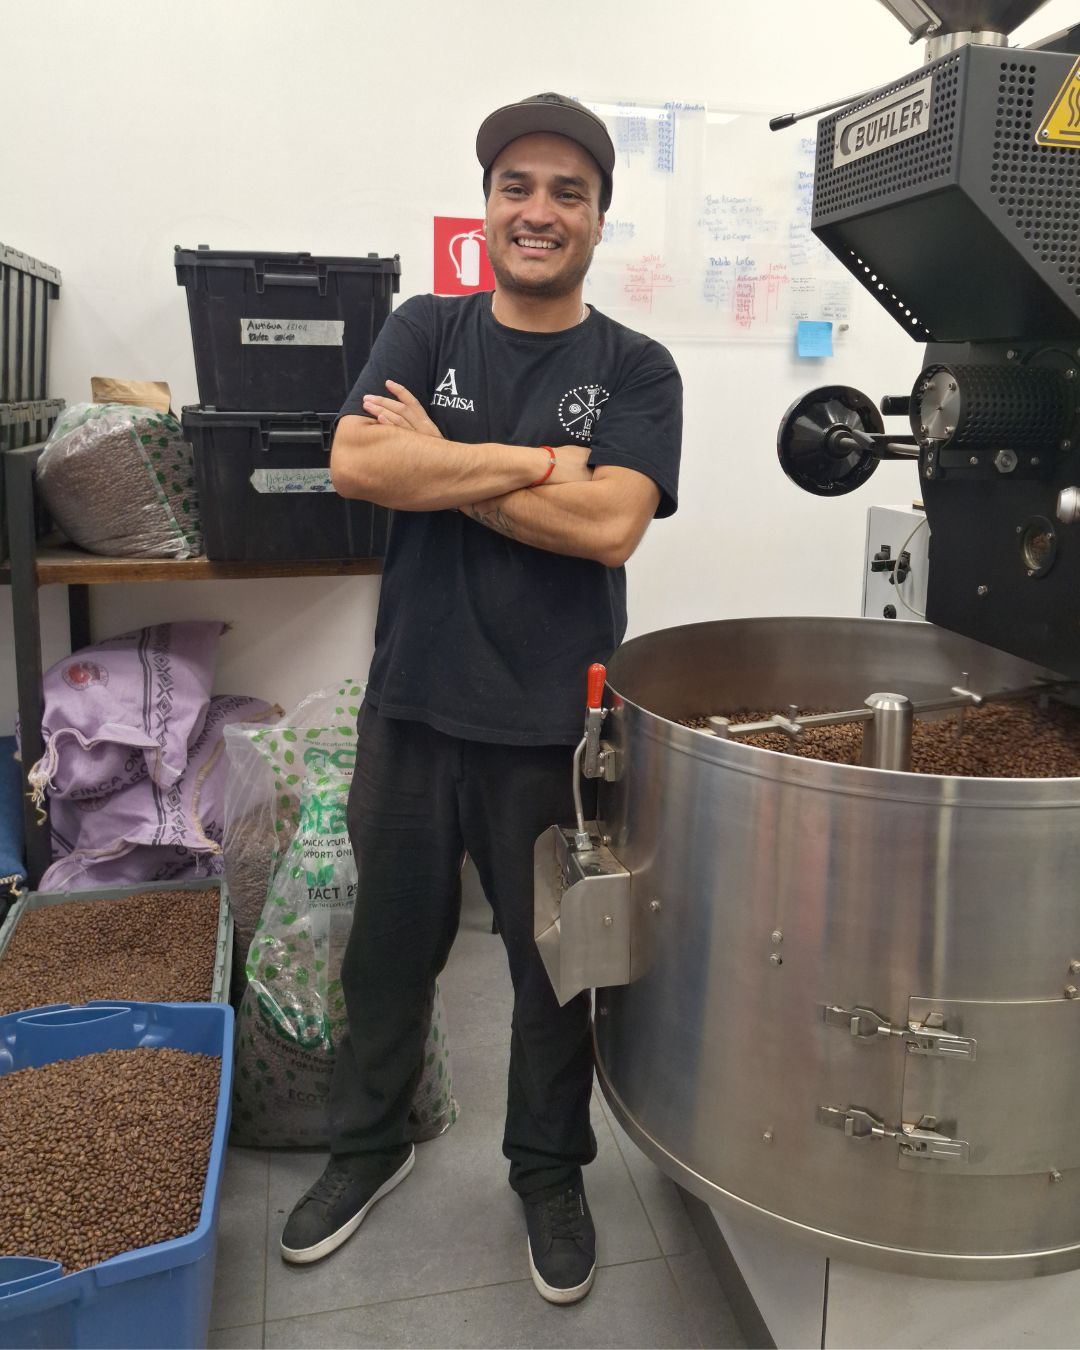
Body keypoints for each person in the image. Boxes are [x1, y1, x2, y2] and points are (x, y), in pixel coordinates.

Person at [280, 91, 682, 1306]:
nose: (540, 210)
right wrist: (531, 466)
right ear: (487, 207)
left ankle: (547, 1172)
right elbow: (358, 462)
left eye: (568, 191)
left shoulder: (634, 365)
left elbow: (612, 527)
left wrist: (439, 473)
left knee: (553, 969)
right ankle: (367, 1148)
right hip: (409, 710)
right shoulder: (425, 326)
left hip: (553, 730)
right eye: (519, 186)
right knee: (387, 958)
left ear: (600, 218)